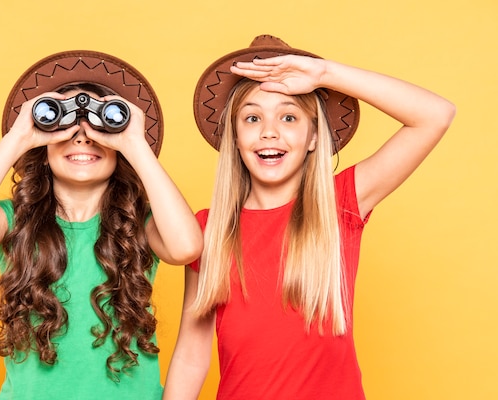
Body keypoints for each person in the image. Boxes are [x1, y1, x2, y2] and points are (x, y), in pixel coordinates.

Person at [163, 35, 456, 399]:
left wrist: (324, 72)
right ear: (234, 138)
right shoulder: (208, 229)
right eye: (252, 118)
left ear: (314, 136)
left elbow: (434, 115)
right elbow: (192, 356)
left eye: (288, 117)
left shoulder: (341, 203)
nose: (269, 131)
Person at [0, 50, 203, 400]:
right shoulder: (15, 220)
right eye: (63, 123)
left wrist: (135, 143)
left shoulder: (141, 222)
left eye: (99, 123)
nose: (82, 136)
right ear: (42, 140)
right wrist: (19, 137)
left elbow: (186, 247)